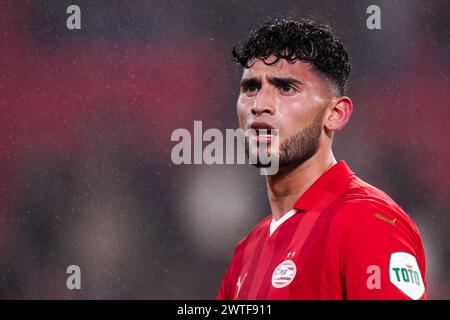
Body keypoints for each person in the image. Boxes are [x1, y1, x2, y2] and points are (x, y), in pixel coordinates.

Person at [217, 18, 426, 300]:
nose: (259, 105)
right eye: (251, 88)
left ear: (336, 114)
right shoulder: (247, 252)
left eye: (286, 88)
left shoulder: (366, 222)